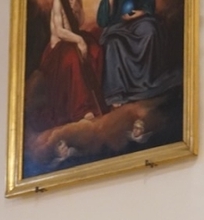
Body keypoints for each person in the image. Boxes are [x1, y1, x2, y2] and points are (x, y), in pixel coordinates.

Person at [96, 0, 181, 107]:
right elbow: (102, 21)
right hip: (117, 27)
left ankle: (146, 80)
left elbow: (148, 6)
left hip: (140, 21)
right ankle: (116, 92)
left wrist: (140, 13)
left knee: (150, 31)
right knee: (113, 42)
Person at [35, 0, 105, 129]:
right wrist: (79, 40)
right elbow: (59, 31)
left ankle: (96, 101)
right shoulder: (58, 2)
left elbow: (79, 23)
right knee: (72, 57)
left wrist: (76, 9)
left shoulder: (76, 1)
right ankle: (81, 110)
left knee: (96, 50)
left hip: (72, 41)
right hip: (57, 51)